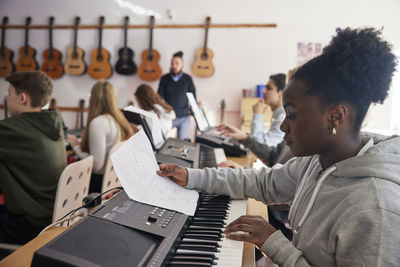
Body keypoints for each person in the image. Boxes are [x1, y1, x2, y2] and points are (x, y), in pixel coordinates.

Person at [157, 27, 400, 266]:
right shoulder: (317, 162)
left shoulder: (374, 209)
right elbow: (263, 183)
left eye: (292, 116)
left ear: (335, 117)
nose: (283, 126)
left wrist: (274, 243)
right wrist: (191, 176)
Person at [0, 71, 66, 244]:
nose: (6, 99)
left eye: (9, 94)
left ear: (22, 98)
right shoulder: (53, 124)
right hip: (53, 216)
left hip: (30, 223)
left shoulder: (11, 130)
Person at [66, 81, 133, 193]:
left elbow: (97, 165)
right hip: (113, 182)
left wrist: (76, 146)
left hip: (97, 185)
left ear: (93, 99)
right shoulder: (117, 119)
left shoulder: (98, 123)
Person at [158, 51, 196, 140]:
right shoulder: (164, 79)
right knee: (163, 139)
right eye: (172, 63)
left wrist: (192, 115)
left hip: (184, 117)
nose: (174, 66)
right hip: (168, 117)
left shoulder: (188, 79)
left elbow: (193, 98)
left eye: (177, 63)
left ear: (182, 65)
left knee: (182, 141)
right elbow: (159, 97)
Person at [251, 73, 286, 146]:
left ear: (281, 93)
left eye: (269, 88)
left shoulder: (282, 119)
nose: (263, 91)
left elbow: (260, 147)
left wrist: (257, 115)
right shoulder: (279, 116)